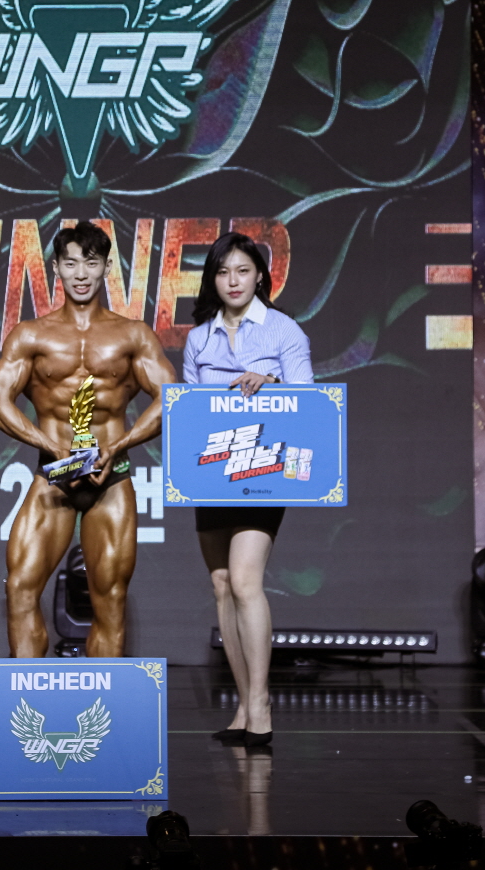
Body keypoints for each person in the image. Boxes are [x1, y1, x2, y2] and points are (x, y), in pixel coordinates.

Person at [0, 220, 174, 659]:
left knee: (109, 600)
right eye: (70, 264)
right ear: (56, 268)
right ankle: (28, 693)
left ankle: (102, 698)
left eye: (91, 263)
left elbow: (172, 400)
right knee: (19, 587)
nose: (81, 274)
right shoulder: (31, 335)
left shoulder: (133, 335)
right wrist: (53, 448)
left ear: (107, 268)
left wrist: (119, 445)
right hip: (53, 477)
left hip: (111, 479)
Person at [181, 232, 312, 747]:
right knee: (220, 583)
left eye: (242, 270)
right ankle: (243, 703)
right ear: (212, 280)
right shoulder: (199, 339)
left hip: (264, 468)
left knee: (243, 579)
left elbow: (309, 404)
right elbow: (189, 410)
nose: (233, 281)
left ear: (260, 276)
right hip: (213, 471)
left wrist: (273, 385)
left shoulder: (284, 331)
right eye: (222, 272)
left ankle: (261, 703)